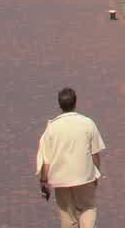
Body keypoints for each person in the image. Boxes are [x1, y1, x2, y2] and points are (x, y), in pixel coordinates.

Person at [35, 87, 105, 228]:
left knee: (67, 213)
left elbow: (46, 160)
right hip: (84, 175)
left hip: (60, 178)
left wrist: (44, 181)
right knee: (87, 207)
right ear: (75, 102)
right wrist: (96, 173)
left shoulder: (52, 128)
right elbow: (95, 154)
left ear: (60, 104)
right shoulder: (87, 123)